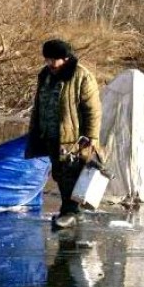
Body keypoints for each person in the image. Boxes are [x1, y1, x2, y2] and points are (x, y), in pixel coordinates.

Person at [25, 38, 103, 230]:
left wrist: (91, 137)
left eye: (54, 60)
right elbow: (39, 104)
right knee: (60, 174)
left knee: (72, 173)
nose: (50, 63)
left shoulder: (81, 76)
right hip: (51, 134)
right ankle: (68, 210)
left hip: (74, 138)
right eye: (47, 59)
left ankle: (72, 212)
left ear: (65, 58)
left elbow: (93, 110)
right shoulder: (45, 75)